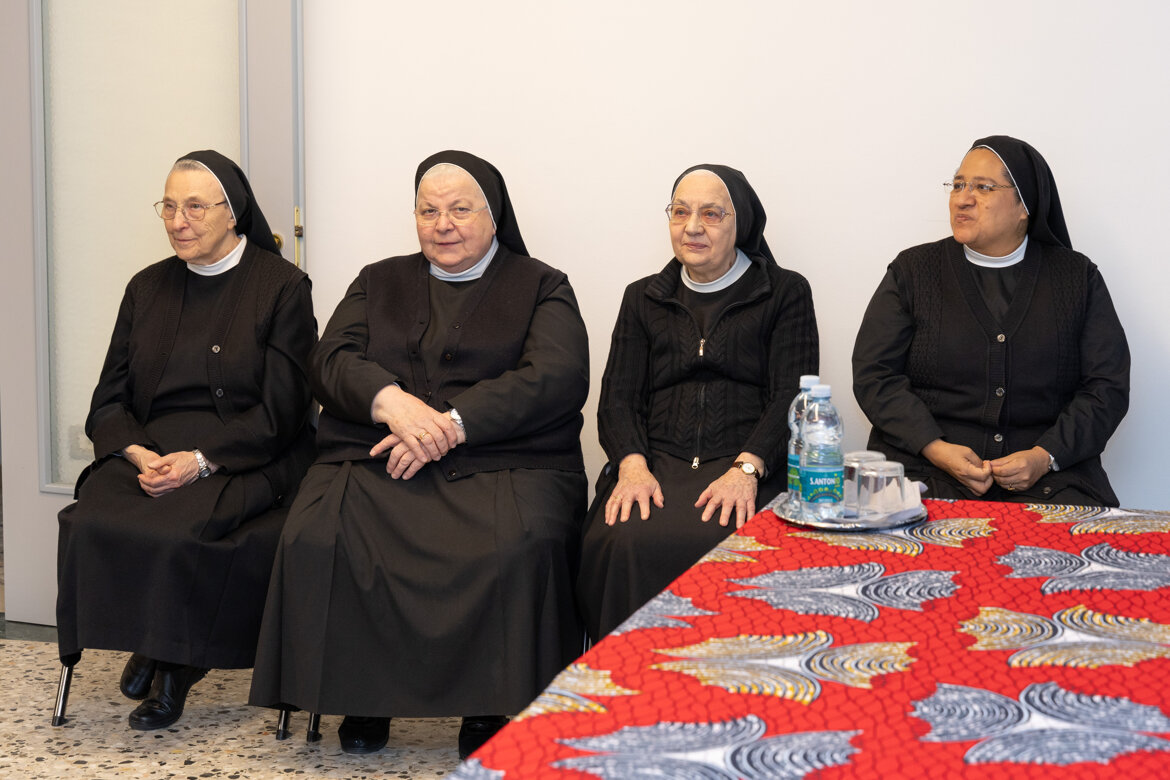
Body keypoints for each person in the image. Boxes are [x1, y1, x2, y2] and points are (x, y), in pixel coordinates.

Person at [248, 150, 590, 759]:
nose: (443, 224)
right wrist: (392, 404)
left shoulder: (542, 285)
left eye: (460, 209)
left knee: (518, 542)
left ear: (493, 216)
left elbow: (557, 376)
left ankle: (490, 702)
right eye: (428, 211)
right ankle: (361, 693)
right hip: (380, 451)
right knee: (321, 534)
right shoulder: (378, 279)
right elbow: (330, 359)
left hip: (501, 459)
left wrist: (451, 425)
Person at [55, 150, 317, 730]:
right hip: (152, 448)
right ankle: (152, 641)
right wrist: (137, 453)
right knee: (90, 518)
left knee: (182, 530)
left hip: (248, 453)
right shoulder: (146, 287)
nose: (178, 221)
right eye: (169, 207)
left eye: (195, 207)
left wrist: (200, 461)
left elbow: (284, 412)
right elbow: (108, 399)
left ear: (233, 212)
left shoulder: (281, 288)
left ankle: (174, 665)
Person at [576, 164, 819, 642]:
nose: (692, 227)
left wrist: (747, 469)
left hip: (748, 463)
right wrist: (632, 466)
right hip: (657, 465)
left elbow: (791, 395)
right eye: (680, 212)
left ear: (740, 222)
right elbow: (617, 399)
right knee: (620, 537)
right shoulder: (643, 297)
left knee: (733, 541)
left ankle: (726, 680)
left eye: (710, 214)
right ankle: (621, 679)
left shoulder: (784, 292)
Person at [852, 135, 1129, 506]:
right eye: (958, 185)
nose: (962, 198)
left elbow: (1106, 387)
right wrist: (935, 447)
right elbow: (875, 375)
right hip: (925, 472)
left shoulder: (1077, 278)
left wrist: (1045, 456)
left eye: (983, 187)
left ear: (1024, 206)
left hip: (1050, 481)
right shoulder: (913, 272)